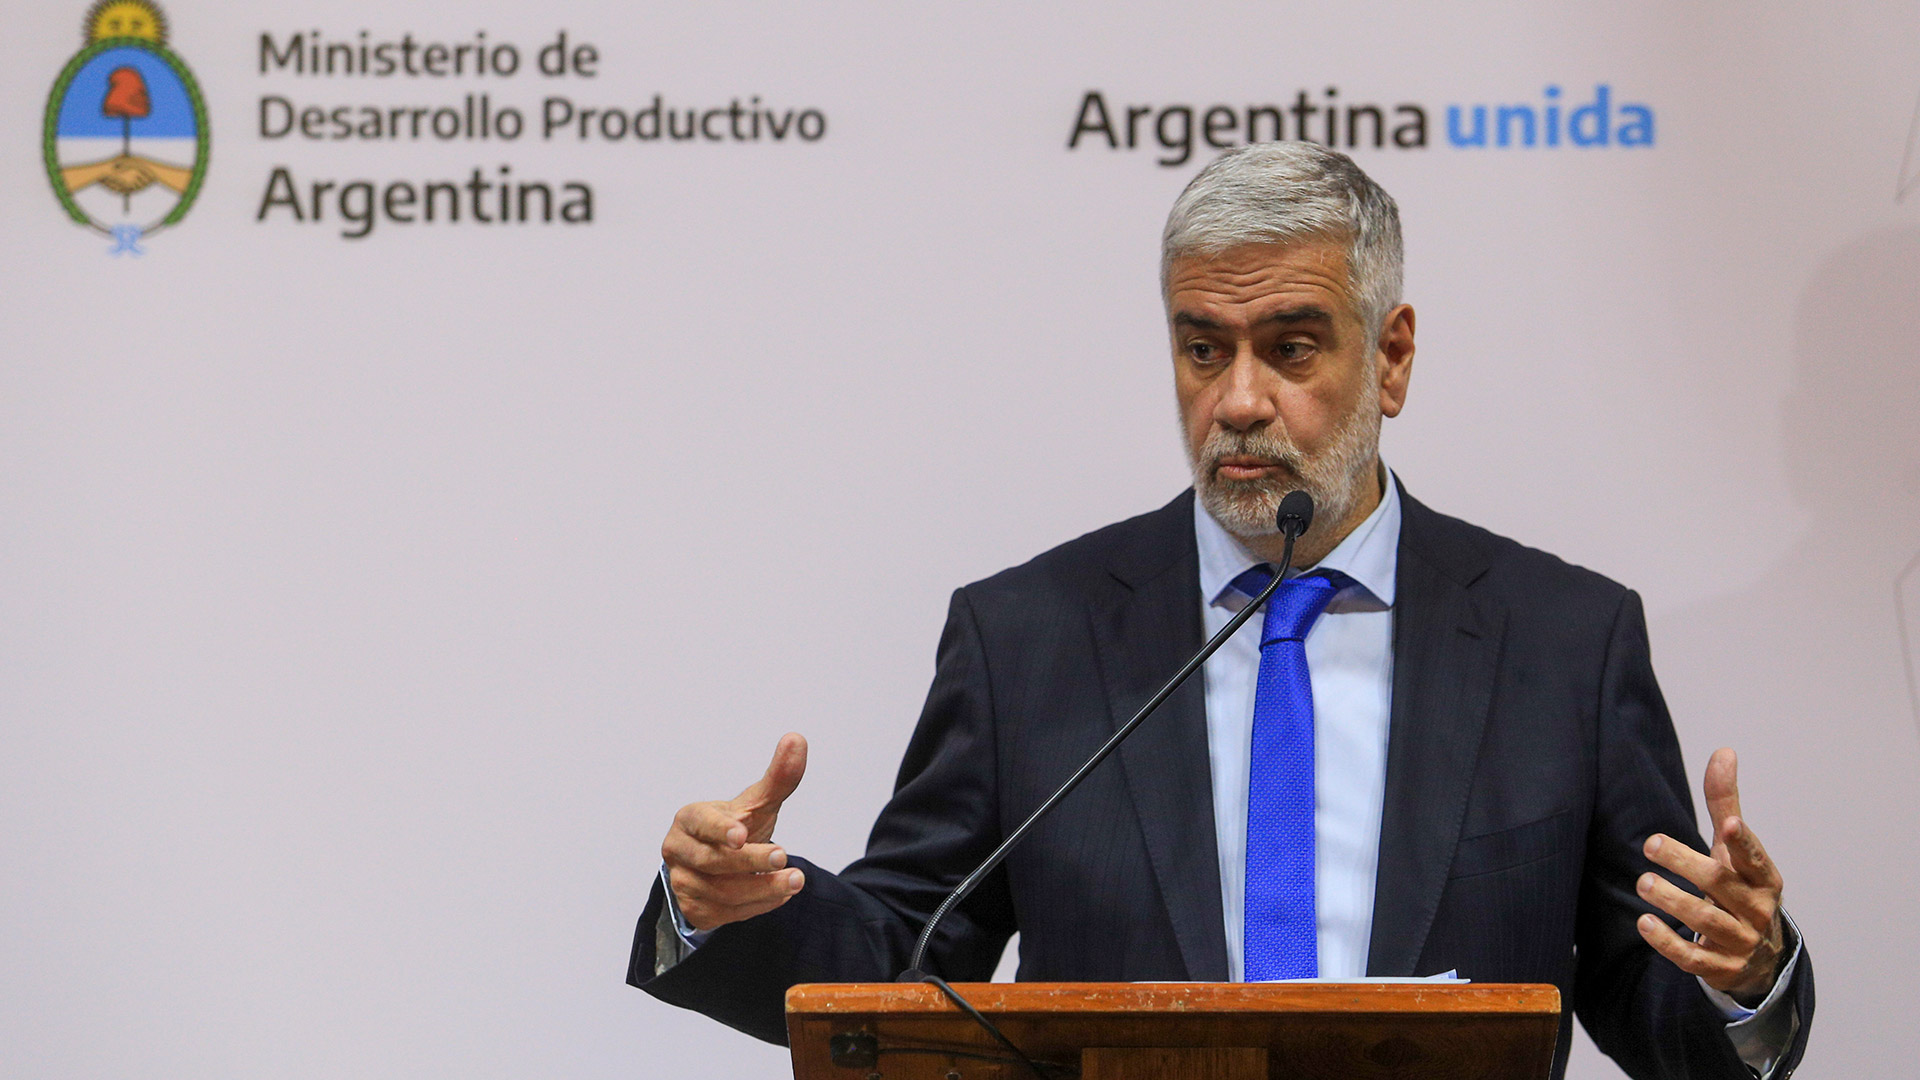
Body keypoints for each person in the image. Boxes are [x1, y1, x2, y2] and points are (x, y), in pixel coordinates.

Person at [626, 142, 1814, 1080]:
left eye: (1290, 347)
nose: (1239, 401)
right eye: (1204, 350)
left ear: (1391, 358)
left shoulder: (1564, 642)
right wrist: (726, 910)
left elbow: (1655, 1006)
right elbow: (906, 962)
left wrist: (1741, 975)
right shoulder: (1029, 636)